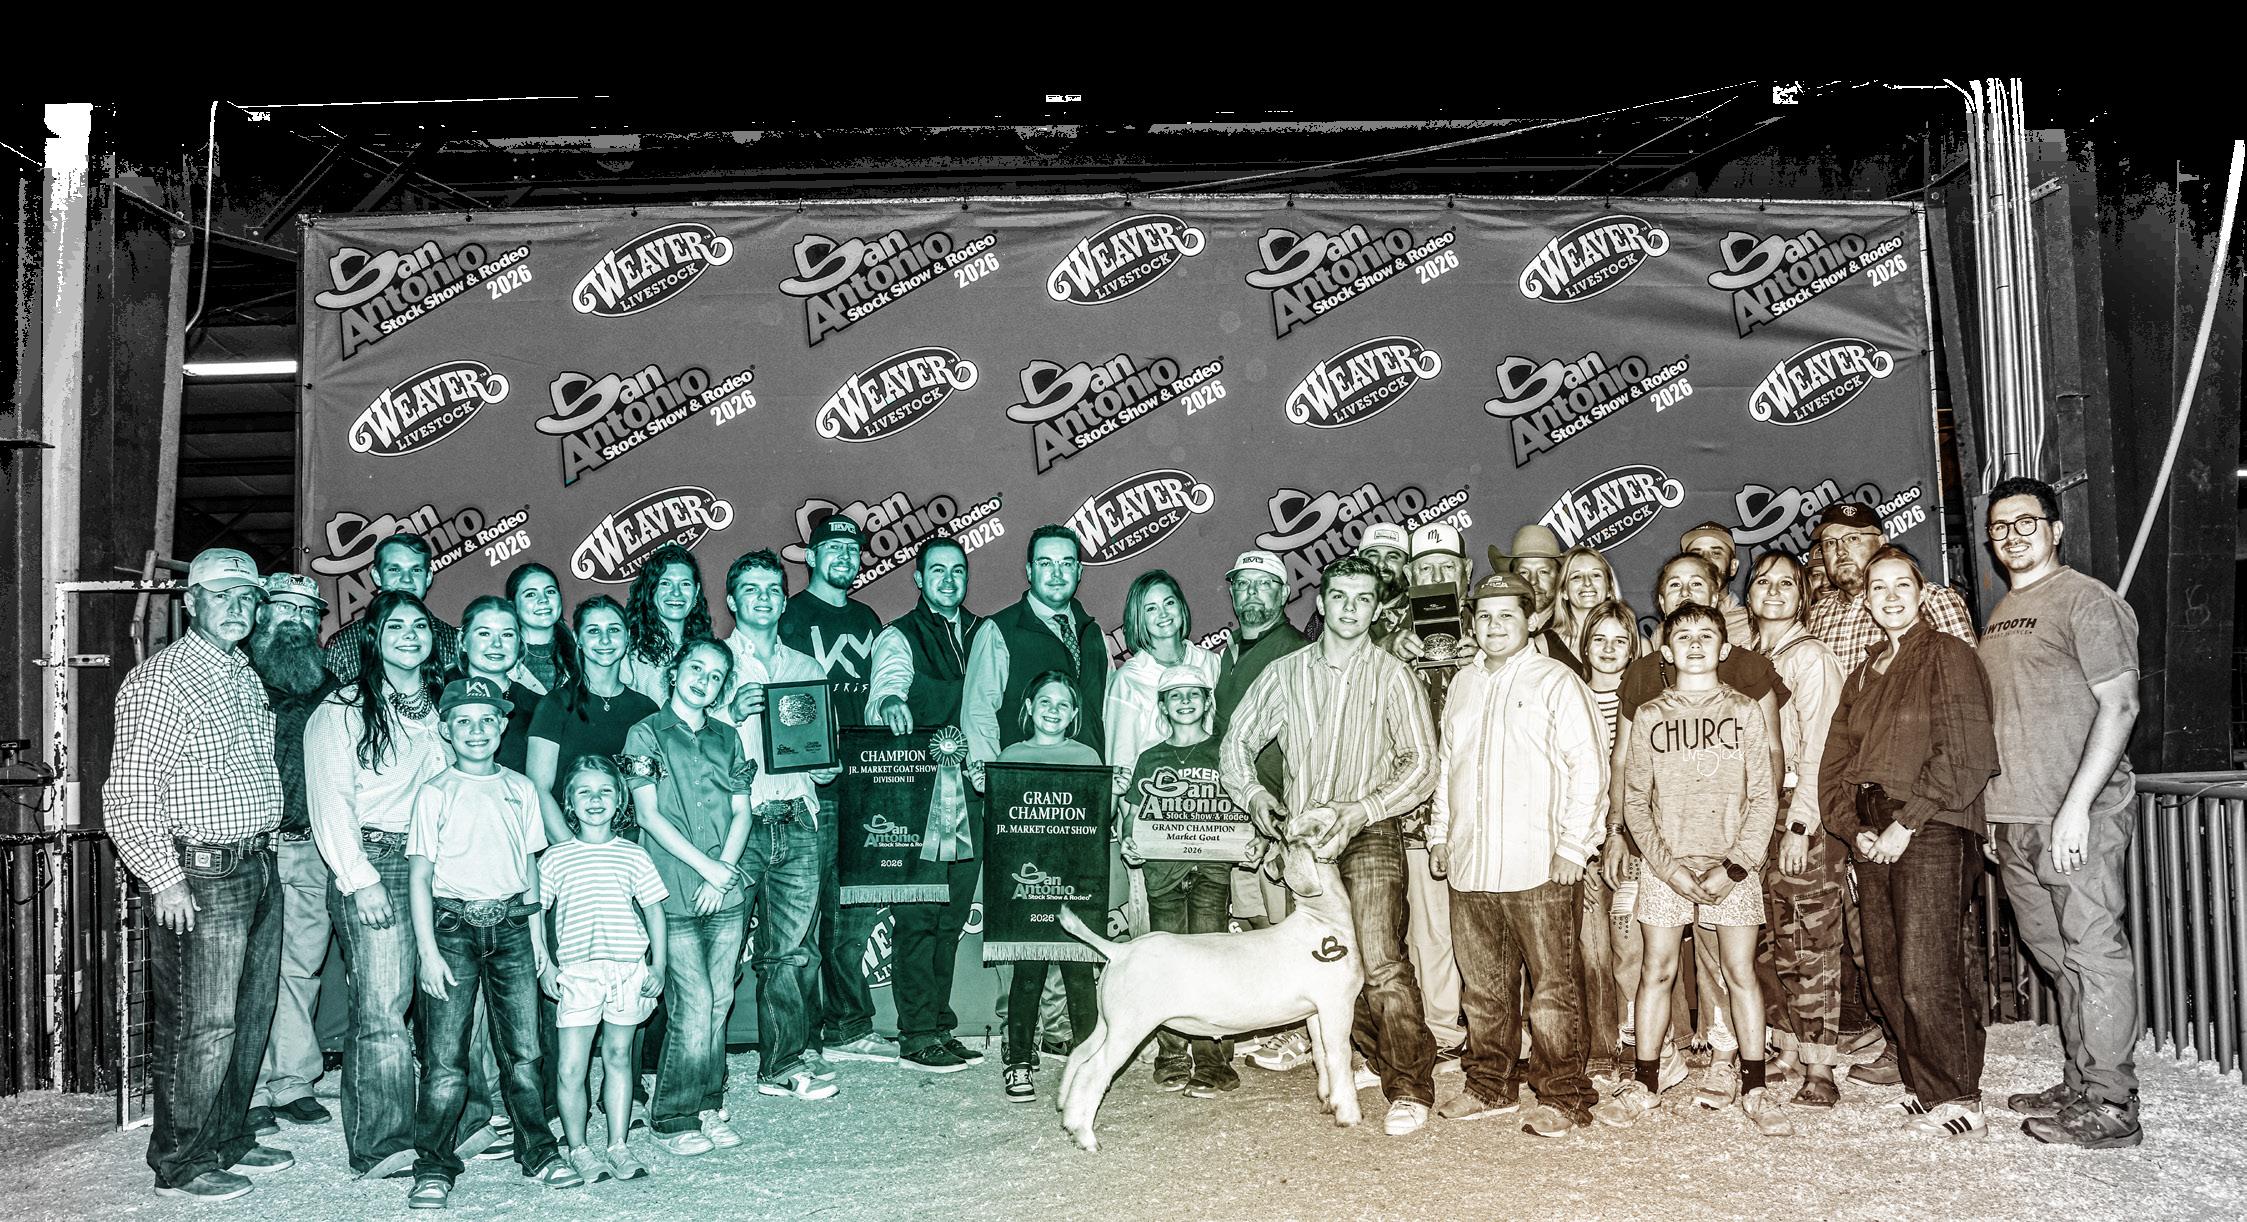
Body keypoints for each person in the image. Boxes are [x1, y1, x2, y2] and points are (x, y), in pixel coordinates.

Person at [1219, 555, 1439, 1137]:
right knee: (1327, 961)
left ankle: (1409, 1088)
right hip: (1305, 841)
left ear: (1377, 607)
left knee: (1380, 958)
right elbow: (1236, 745)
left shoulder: (1393, 675)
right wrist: (1256, 798)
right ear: (1319, 602)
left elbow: (1422, 764)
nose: (1350, 608)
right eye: (1339, 596)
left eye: (1363, 598)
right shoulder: (1286, 673)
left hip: (1369, 829)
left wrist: (1361, 810)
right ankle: (1367, 1055)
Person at [107, 547, 292, 1202]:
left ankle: (228, 1136)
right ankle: (180, 1162)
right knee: (200, 1025)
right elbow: (129, 794)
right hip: (201, 872)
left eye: (247, 597)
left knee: (249, 1015)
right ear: (191, 602)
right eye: (221, 595)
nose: (237, 607)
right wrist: (164, 878)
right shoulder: (161, 681)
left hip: (255, 861)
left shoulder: (243, 672)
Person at [1978, 477, 2145, 1148]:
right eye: (2000, 526)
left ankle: (2112, 1103)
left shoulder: (2086, 599)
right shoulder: (2001, 612)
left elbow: (2121, 705)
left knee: (2093, 953)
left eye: (2026, 522)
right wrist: (1994, 815)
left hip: (2076, 817)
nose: (2012, 535)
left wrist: (2075, 808)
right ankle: (2081, 1081)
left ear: (2055, 529)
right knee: (2057, 958)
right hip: (2016, 819)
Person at [1821, 547, 1999, 1140]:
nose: (1891, 596)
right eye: (1879, 587)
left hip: (1934, 822)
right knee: (1886, 971)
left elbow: (1967, 751)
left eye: (1903, 585)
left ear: (1922, 595)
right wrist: (1854, 827)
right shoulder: (1863, 672)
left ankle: (1959, 1094)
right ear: (1866, 601)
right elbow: (1836, 763)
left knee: (1926, 968)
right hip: (1874, 828)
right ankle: (1924, 1085)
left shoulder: (1947, 654)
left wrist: (1908, 822)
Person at [307, 589, 480, 1180]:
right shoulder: (342, 708)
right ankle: (382, 1143)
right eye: (396, 626)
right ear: (373, 638)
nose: (411, 635)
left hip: (443, 862)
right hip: (378, 859)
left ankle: (461, 1123)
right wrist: (359, 879)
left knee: (453, 996)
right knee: (383, 1006)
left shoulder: (443, 706)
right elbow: (331, 801)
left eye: (420, 626)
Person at [1426, 573, 1607, 1137]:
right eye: (1484, 615)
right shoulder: (1462, 684)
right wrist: (1439, 834)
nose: (1494, 625)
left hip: (1540, 863)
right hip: (1471, 862)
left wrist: (1574, 846)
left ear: (1533, 620)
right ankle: (1489, 1085)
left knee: (1552, 989)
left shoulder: (1557, 681)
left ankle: (1564, 1095)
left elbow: (1590, 767)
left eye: (1507, 614)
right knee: (1482, 988)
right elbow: (1447, 768)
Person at [1598, 602, 1787, 1137]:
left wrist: (1737, 866)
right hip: (1667, 868)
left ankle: (1755, 1087)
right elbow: (1636, 801)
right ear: (1666, 650)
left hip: (1732, 866)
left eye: (1708, 635)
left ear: (1724, 649)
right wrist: (1667, 868)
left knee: (1739, 972)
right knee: (1655, 971)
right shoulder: (1650, 715)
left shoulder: (1744, 711)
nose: (1697, 644)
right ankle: (1645, 1082)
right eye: (1684, 637)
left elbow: (1763, 795)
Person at [404, 677, 578, 1206]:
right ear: (446, 730)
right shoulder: (435, 792)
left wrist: (539, 940)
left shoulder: (520, 789)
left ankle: (538, 1150)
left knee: (524, 1052)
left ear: (503, 726)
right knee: (445, 1057)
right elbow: (419, 876)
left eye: (487, 720)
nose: (476, 730)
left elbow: (529, 869)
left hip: (512, 928)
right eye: (463, 721)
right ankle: (434, 1163)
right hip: (452, 929)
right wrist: (427, 952)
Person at [623, 636, 777, 1158]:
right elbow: (648, 816)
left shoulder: (728, 738)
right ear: (675, 671)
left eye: (715, 676)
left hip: (724, 892)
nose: (703, 681)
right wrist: (707, 870)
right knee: (692, 1005)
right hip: (671, 891)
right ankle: (673, 1115)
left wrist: (723, 873)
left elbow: (742, 811)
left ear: (723, 687)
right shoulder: (645, 734)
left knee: (720, 1001)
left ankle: (709, 1102)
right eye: (696, 669)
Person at [710, 550, 842, 1094]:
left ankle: (782, 1065)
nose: (763, 598)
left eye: (772, 589)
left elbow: (822, 752)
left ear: (784, 601)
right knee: (719, 954)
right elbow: (687, 741)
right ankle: (703, 1077)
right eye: (751, 588)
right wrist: (729, 713)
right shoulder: (713, 662)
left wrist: (826, 765)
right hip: (737, 828)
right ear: (732, 600)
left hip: (798, 818)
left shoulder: (807, 669)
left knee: (789, 952)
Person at [867, 537, 990, 1073]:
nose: (947, 579)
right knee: (917, 914)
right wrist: (890, 701)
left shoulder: (985, 632)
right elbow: (886, 685)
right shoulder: (899, 635)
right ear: (918, 579)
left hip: (971, 793)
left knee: (952, 915)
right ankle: (915, 1033)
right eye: (936, 570)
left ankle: (939, 1022)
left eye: (957, 570)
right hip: (917, 796)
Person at [779, 514, 895, 1068]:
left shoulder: (869, 619)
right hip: (812, 787)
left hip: (866, 783)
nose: (845, 557)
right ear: (810, 556)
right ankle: (801, 1038)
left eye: (853, 549)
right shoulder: (789, 616)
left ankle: (849, 1026)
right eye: (833, 548)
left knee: (852, 916)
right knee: (803, 919)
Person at [1747, 550, 1848, 1106]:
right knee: (1769, 938)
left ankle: (1820, 1067)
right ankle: (1787, 1047)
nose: (1774, 590)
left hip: (1798, 806)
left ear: (1803, 595)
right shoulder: (1744, 656)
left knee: (1809, 937)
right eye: (1763, 581)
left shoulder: (1810, 657)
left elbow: (1822, 750)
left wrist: (1802, 823)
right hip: (1755, 809)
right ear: (1749, 594)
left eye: (1786, 583)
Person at [540, 754, 669, 1184]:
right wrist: (545, 964)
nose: (595, 800)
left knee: (618, 1057)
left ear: (620, 801)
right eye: (584, 792)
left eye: (605, 791)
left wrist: (658, 965)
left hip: (627, 970)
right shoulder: (556, 857)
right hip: (577, 972)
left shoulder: (634, 855)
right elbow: (536, 912)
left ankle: (618, 1145)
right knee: (571, 1067)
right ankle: (578, 1148)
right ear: (569, 802)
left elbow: (654, 911)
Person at [246, 572, 341, 1140]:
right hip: (250, 848)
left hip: (309, 846)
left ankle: (293, 1080)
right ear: (261, 613)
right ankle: (250, 1087)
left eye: (308, 612)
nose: (297, 621)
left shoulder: (330, 686)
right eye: (285, 609)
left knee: (301, 968)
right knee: (248, 971)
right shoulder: (237, 675)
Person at [1119, 665, 1238, 1098]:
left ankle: (1213, 1061)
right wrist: (1129, 841)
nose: (1185, 702)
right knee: (1166, 966)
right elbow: (1133, 816)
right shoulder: (1150, 758)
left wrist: (1253, 840)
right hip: (1162, 875)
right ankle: (1170, 1054)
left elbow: (1243, 805)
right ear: (1163, 706)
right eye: (1175, 696)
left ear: (1207, 702)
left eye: (1193, 694)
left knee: (1209, 965)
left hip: (1210, 872)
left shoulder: (1225, 751)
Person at [991, 672, 1107, 1103]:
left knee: (1079, 974)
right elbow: (1002, 823)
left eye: (1063, 704)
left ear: (1074, 714)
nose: (1053, 710)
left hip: (1075, 883)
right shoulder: (1011, 755)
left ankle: (1088, 1064)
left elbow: (1097, 819)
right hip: (1027, 885)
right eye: (1045, 702)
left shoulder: (1087, 756)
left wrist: (1115, 793)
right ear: (1029, 708)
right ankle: (1019, 1061)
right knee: (1027, 974)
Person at [1104, 569, 1221, 942]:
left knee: (1212, 940)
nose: (1162, 614)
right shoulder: (1129, 679)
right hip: (1154, 828)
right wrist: (1127, 829)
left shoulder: (1211, 663)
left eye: (1169, 602)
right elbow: (1120, 765)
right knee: (1162, 942)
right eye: (1150, 608)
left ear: (1182, 607)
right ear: (1138, 619)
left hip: (1211, 824)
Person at [1395, 522, 1469, 1066]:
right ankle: (1442, 1028)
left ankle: (1501, 1030)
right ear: (1409, 575)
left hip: (1487, 803)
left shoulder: (1493, 625)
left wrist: (1488, 657)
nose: (1437, 576)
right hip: (1420, 809)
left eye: (1447, 567)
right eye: (1425, 569)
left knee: (1496, 924)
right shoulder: (1390, 635)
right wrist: (1388, 650)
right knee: (1431, 926)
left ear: (1465, 573)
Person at [1212, 551, 1308, 944]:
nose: (1252, 592)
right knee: (1250, 924)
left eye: (1264, 584)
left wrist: (1284, 816)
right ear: (1232, 593)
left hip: (1276, 816)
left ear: (1284, 593)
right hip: (1235, 813)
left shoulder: (1297, 651)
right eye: (1243, 584)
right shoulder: (1230, 650)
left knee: (1283, 931)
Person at [1581, 599, 1652, 1078]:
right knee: (1591, 949)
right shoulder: (1568, 695)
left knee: (1631, 948)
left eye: (1619, 641)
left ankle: (1636, 1041)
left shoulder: (1642, 704)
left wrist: (1623, 833)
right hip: (1584, 844)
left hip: (1631, 841)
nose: (1608, 649)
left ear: (1632, 650)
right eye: (1599, 639)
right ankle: (1601, 1047)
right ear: (1584, 645)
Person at [526, 596, 660, 844]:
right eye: (594, 631)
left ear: (627, 637)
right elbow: (538, 789)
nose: (605, 640)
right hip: (569, 845)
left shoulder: (646, 709)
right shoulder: (555, 705)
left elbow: (651, 796)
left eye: (614, 630)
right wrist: (575, 853)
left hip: (632, 849)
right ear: (578, 638)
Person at [1806, 501, 1975, 674]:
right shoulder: (1815, 615)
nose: (1840, 551)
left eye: (1853, 539)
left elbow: (1967, 678)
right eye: (1829, 543)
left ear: (1882, 543)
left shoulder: (1932, 599)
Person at [326, 532, 461, 681]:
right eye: (394, 570)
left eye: (416, 570)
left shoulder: (454, 641)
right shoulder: (342, 644)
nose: (406, 579)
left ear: (428, 577)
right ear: (377, 576)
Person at [458, 596, 545, 776]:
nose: (497, 644)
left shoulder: (538, 706)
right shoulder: (435, 695)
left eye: (507, 635)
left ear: (519, 642)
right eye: (484, 633)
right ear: (463, 640)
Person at [619, 544, 714, 705]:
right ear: (651, 590)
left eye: (685, 584)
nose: (676, 592)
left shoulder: (706, 650)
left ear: (696, 591)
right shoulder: (630, 650)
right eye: (665, 583)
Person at [1486, 525, 1581, 669]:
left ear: (1559, 576)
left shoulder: (1578, 629)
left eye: (1543, 572)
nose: (1533, 581)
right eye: (1524, 572)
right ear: (1512, 578)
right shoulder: (1496, 630)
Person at [1553, 545, 1629, 671]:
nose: (1587, 582)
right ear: (1564, 591)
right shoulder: (1543, 646)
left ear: (1609, 588)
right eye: (1577, 577)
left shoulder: (1637, 644)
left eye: (1595, 575)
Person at [1679, 522, 1756, 645]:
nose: (1705, 560)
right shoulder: (1664, 630)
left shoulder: (1752, 624)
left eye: (1716, 553)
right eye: (1696, 554)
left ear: (1733, 567)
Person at [506, 562, 576, 695]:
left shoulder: (583, 652)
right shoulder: (500, 657)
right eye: (530, 594)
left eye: (550, 591)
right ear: (513, 606)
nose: (543, 599)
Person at [1354, 522, 1415, 648]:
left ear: (1407, 567)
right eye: (1373, 556)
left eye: (1392, 557)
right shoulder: (1337, 611)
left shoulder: (1423, 611)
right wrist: (1383, 648)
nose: (1381, 564)